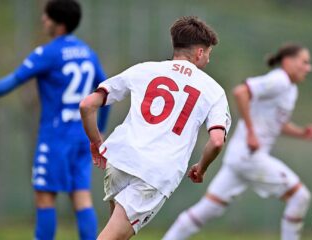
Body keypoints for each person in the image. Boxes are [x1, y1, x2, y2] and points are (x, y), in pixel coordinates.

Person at [0, 0, 109, 239]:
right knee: (81, 197)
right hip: (82, 138)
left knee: (45, 197)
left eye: (46, 17)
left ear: (58, 23)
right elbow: (104, 91)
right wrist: (98, 131)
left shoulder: (48, 53)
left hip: (55, 138)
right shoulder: (88, 53)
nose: (43, 20)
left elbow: (12, 81)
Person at [80, 16, 231, 240]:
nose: (208, 59)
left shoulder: (144, 69)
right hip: (155, 172)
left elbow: (87, 105)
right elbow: (217, 141)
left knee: (117, 234)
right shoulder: (213, 90)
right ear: (199, 52)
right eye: (208, 53)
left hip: (120, 159)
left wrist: (95, 142)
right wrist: (202, 166)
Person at [163, 43, 312, 240]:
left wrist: (302, 133)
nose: (308, 67)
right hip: (250, 157)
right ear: (288, 61)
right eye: (304, 62)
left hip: (240, 157)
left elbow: (277, 123)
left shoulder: (290, 89)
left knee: (207, 209)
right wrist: (251, 133)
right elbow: (241, 92)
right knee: (300, 196)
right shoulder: (279, 80)